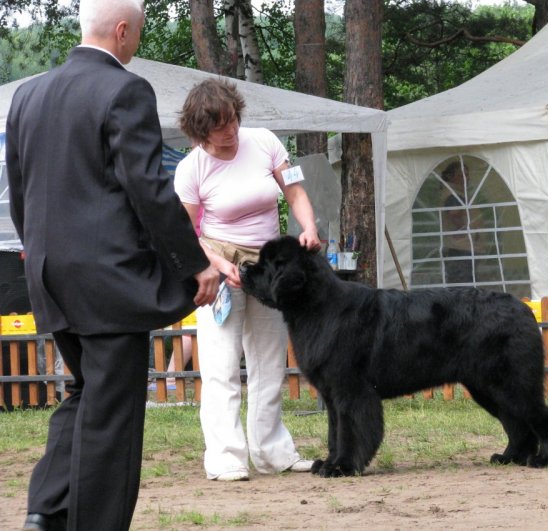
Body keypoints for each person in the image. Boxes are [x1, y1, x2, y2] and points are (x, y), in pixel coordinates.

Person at [6, 1, 220, 529]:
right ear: (122, 31)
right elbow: (148, 189)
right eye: (138, 34)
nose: (137, 45)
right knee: (114, 413)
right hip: (108, 280)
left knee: (85, 390)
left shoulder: (26, 95)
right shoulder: (126, 89)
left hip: (49, 276)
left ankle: (46, 509)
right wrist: (195, 263)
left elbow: (20, 194)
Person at [174, 78, 321, 482]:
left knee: (270, 362)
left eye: (234, 119)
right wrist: (220, 267)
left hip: (270, 270)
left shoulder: (266, 141)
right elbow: (185, 234)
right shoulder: (191, 169)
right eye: (220, 126)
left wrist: (307, 227)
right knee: (221, 367)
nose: (231, 130)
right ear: (201, 130)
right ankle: (225, 457)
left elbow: (294, 193)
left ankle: (274, 453)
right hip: (221, 270)